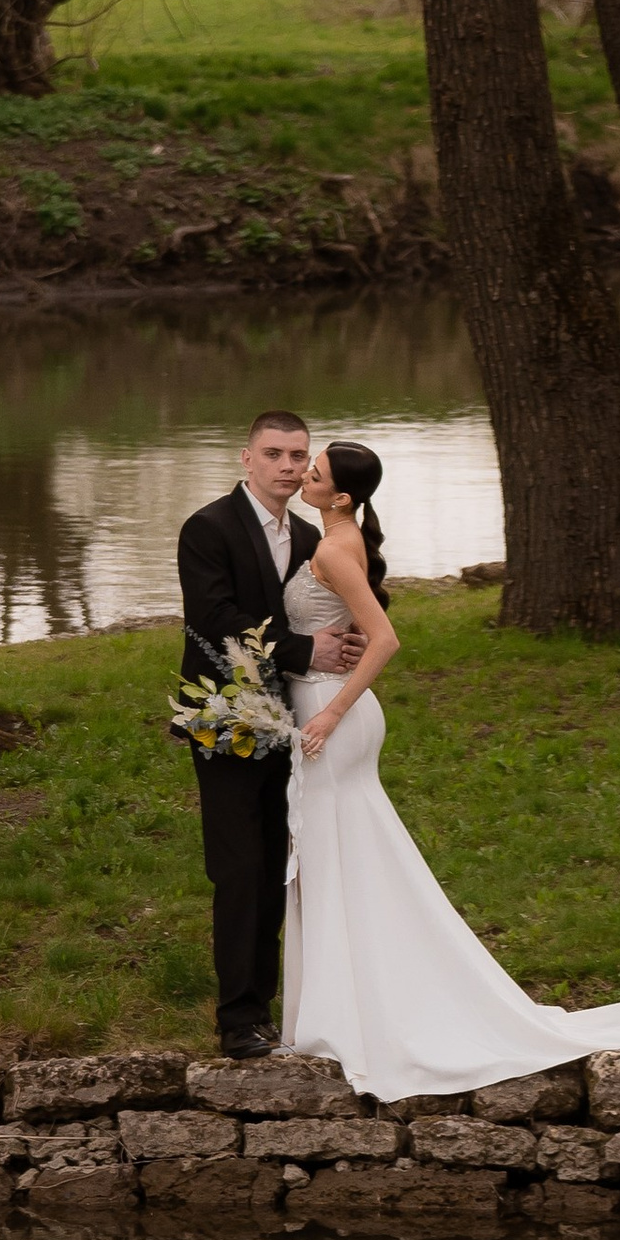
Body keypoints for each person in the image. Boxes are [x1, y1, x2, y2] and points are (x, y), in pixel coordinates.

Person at [273, 439, 620, 1101]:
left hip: (329, 720)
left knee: (336, 861)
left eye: (314, 474)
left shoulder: (336, 547)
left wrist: (333, 712)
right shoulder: (340, 537)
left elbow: (386, 638)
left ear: (342, 496)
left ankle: (353, 1017)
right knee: (347, 858)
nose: (302, 479)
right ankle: (350, 1003)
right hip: (329, 712)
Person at [176, 411, 362, 1059]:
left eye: (298, 455)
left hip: (294, 720)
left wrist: (352, 638)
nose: (287, 465)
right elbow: (218, 621)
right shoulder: (208, 529)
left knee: (280, 866)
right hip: (226, 717)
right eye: (274, 453)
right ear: (246, 458)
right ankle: (237, 1020)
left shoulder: (311, 536)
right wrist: (308, 650)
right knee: (239, 866)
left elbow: (338, 600)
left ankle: (269, 1008)